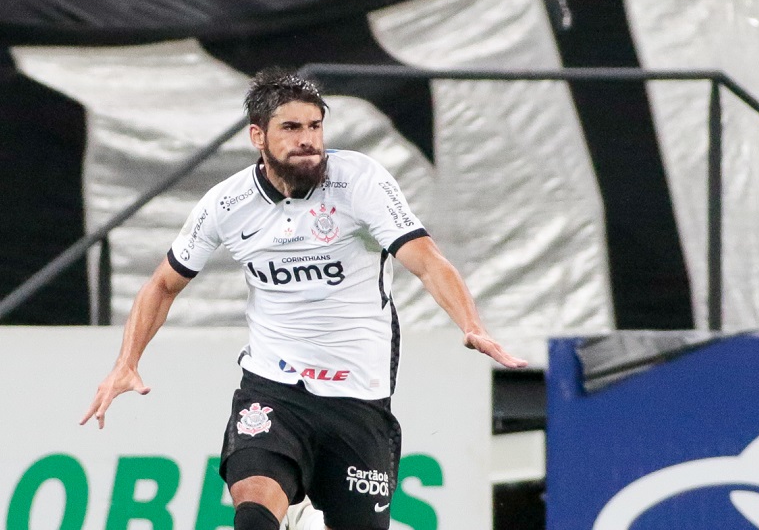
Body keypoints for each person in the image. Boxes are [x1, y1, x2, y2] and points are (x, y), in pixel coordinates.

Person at [80, 67, 528, 530]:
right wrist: (127, 361)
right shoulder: (226, 204)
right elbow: (162, 284)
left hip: (358, 394)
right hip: (274, 387)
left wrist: (470, 324)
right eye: (291, 128)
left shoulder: (359, 181)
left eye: (314, 126)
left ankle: (307, 517)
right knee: (253, 516)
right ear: (258, 136)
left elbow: (427, 260)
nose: (307, 139)